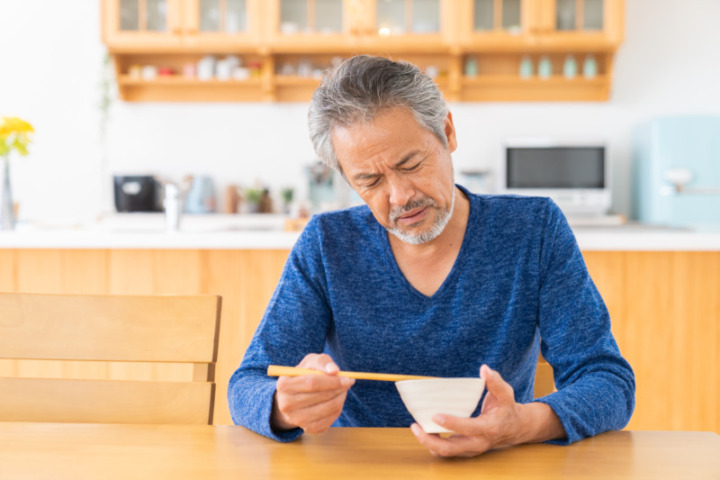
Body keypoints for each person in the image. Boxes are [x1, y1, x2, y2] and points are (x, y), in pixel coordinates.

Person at [228, 55, 635, 458]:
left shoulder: (534, 229)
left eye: (411, 164)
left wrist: (520, 426)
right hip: (360, 466)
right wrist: (284, 406)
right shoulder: (327, 243)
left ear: (448, 132)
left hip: (497, 465)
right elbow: (247, 384)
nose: (400, 197)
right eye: (370, 181)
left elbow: (607, 380)